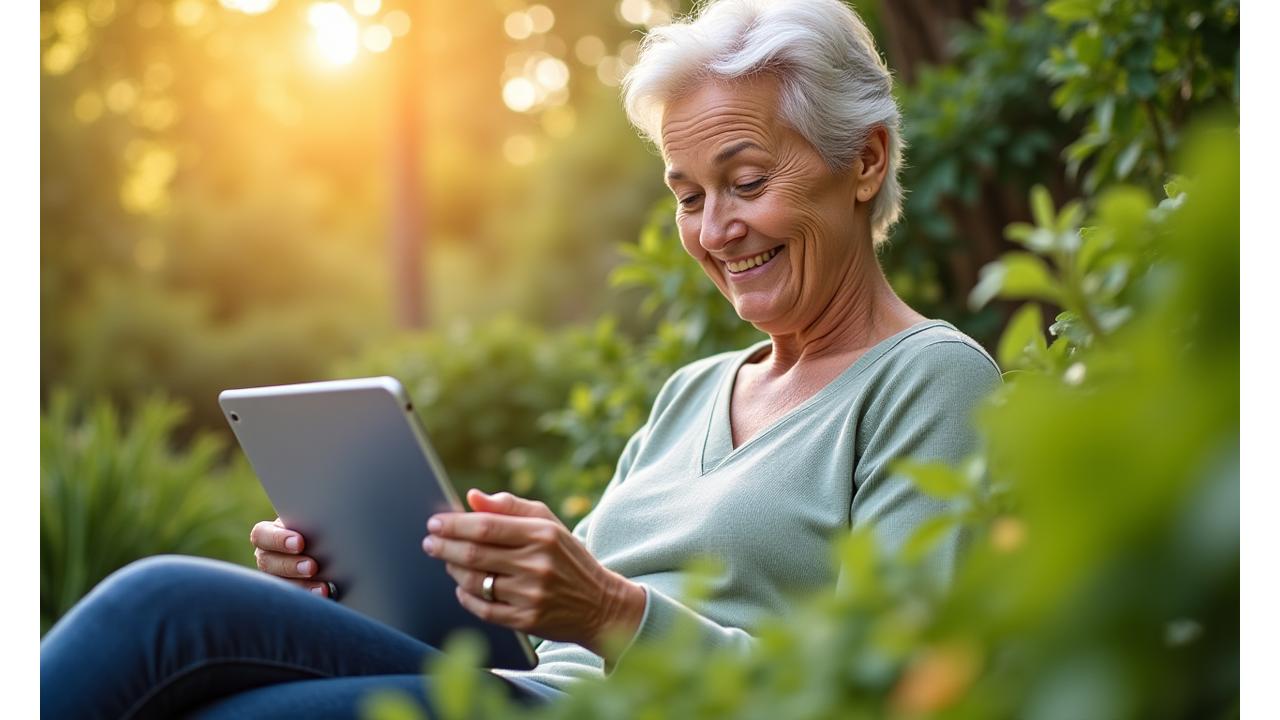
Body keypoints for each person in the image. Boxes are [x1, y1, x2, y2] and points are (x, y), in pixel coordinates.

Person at [40, 0, 1001, 716]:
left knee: (160, 607)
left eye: (745, 182)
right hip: (524, 691)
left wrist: (612, 609)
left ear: (865, 161)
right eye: (688, 195)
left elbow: (894, 692)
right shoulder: (693, 393)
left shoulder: (930, 381)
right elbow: (551, 645)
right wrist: (362, 587)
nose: (716, 230)